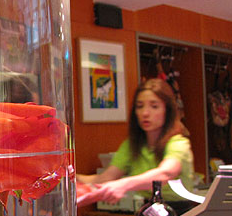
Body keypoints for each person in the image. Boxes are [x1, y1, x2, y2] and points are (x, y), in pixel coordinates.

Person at [77, 78, 195, 209]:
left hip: (179, 212)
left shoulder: (178, 143)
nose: (145, 113)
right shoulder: (132, 145)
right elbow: (106, 177)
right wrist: (70, 178)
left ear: (167, 111)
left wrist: (124, 184)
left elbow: (165, 173)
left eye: (154, 106)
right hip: (147, 209)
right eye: (140, 106)